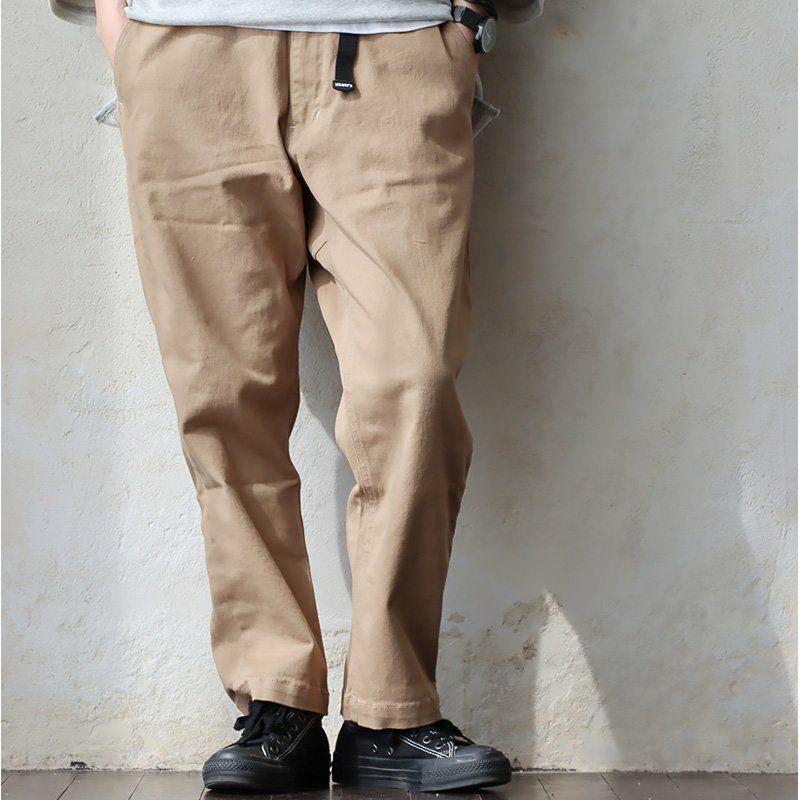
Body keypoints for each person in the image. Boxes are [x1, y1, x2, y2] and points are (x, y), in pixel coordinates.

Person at [51, 0, 542, 792]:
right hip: (187, 49)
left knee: (412, 384)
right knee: (223, 398)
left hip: (394, 43)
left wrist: (471, 18)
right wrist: (122, 26)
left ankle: (392, 712)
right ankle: (275, 701)